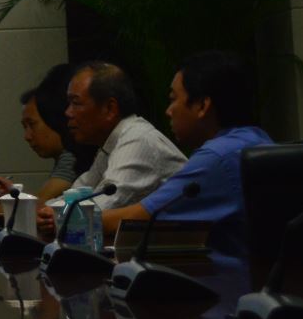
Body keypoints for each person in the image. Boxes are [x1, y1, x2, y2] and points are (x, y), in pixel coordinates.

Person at [97, 50, 274, 253]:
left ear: (202, 106)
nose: (168, 111)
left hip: (221, 271)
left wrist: (76, 221)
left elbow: (136, 219)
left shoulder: (216, 157)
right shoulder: (258, 139)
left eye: (173, 99)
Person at [35, 62, 185, 238]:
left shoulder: (138, 140)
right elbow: (78, 194)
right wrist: (43, 212)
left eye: (76, 103)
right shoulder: (112, 143)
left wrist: (53, 214)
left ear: (110, 108)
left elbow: (108, 203)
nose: (68, 112)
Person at [0, 62, 98, 204]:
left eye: (32, 124)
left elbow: (38, 207)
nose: (27, 136)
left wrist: (11, 202)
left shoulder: (73, 158)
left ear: (55, 118)